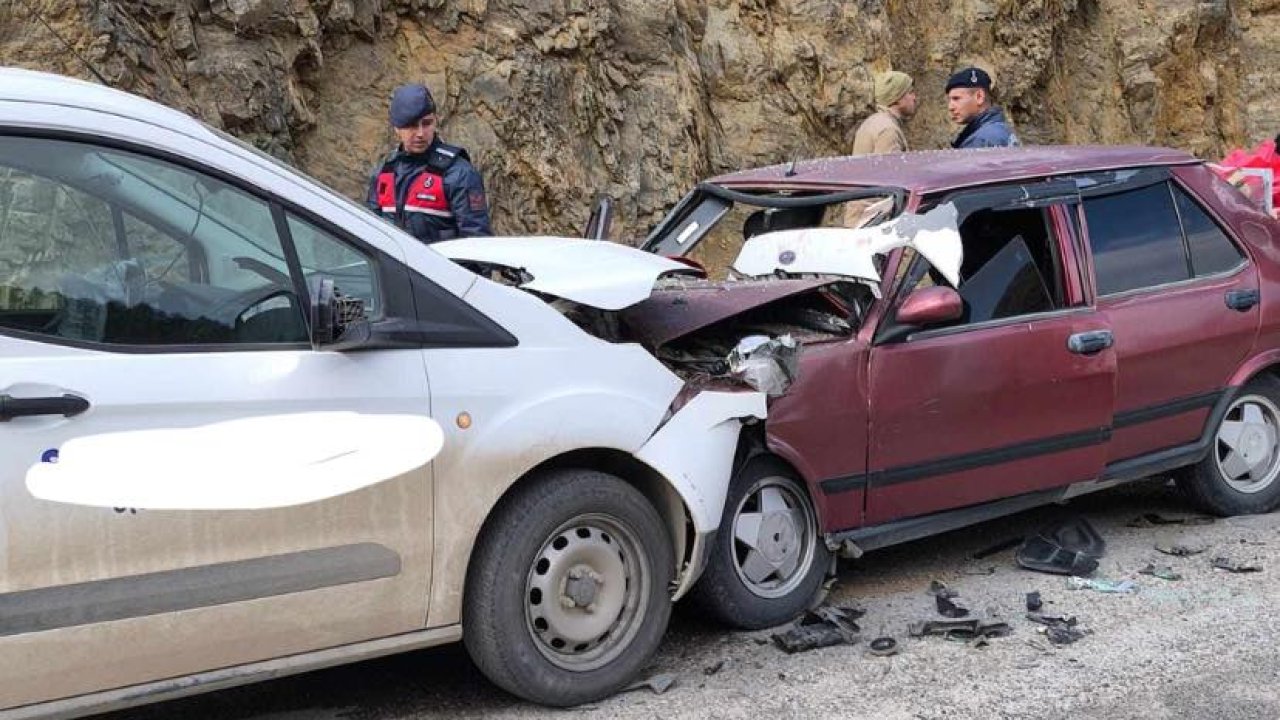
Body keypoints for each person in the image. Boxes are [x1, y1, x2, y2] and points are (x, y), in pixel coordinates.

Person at [366, 83, 492, 243]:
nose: (420, 133)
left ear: (435, 122)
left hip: (439, 267)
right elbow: (371, 233)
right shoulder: (384, 173)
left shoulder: (459, 173)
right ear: (396, 128)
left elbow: (477, 241)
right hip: (393, 267)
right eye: (411, 125)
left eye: (427, 123)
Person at [945, 67, 1019, 149]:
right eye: (950, 100)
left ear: (979, 97)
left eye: (956, 98)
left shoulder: (982, 140)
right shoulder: (1001, 129)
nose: (950, 107)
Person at [852, 70, 917, 155]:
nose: (914, 98)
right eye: (910, 93)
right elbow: (889, 167)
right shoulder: (888, 130)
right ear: (897, 98)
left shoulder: (872, 122)